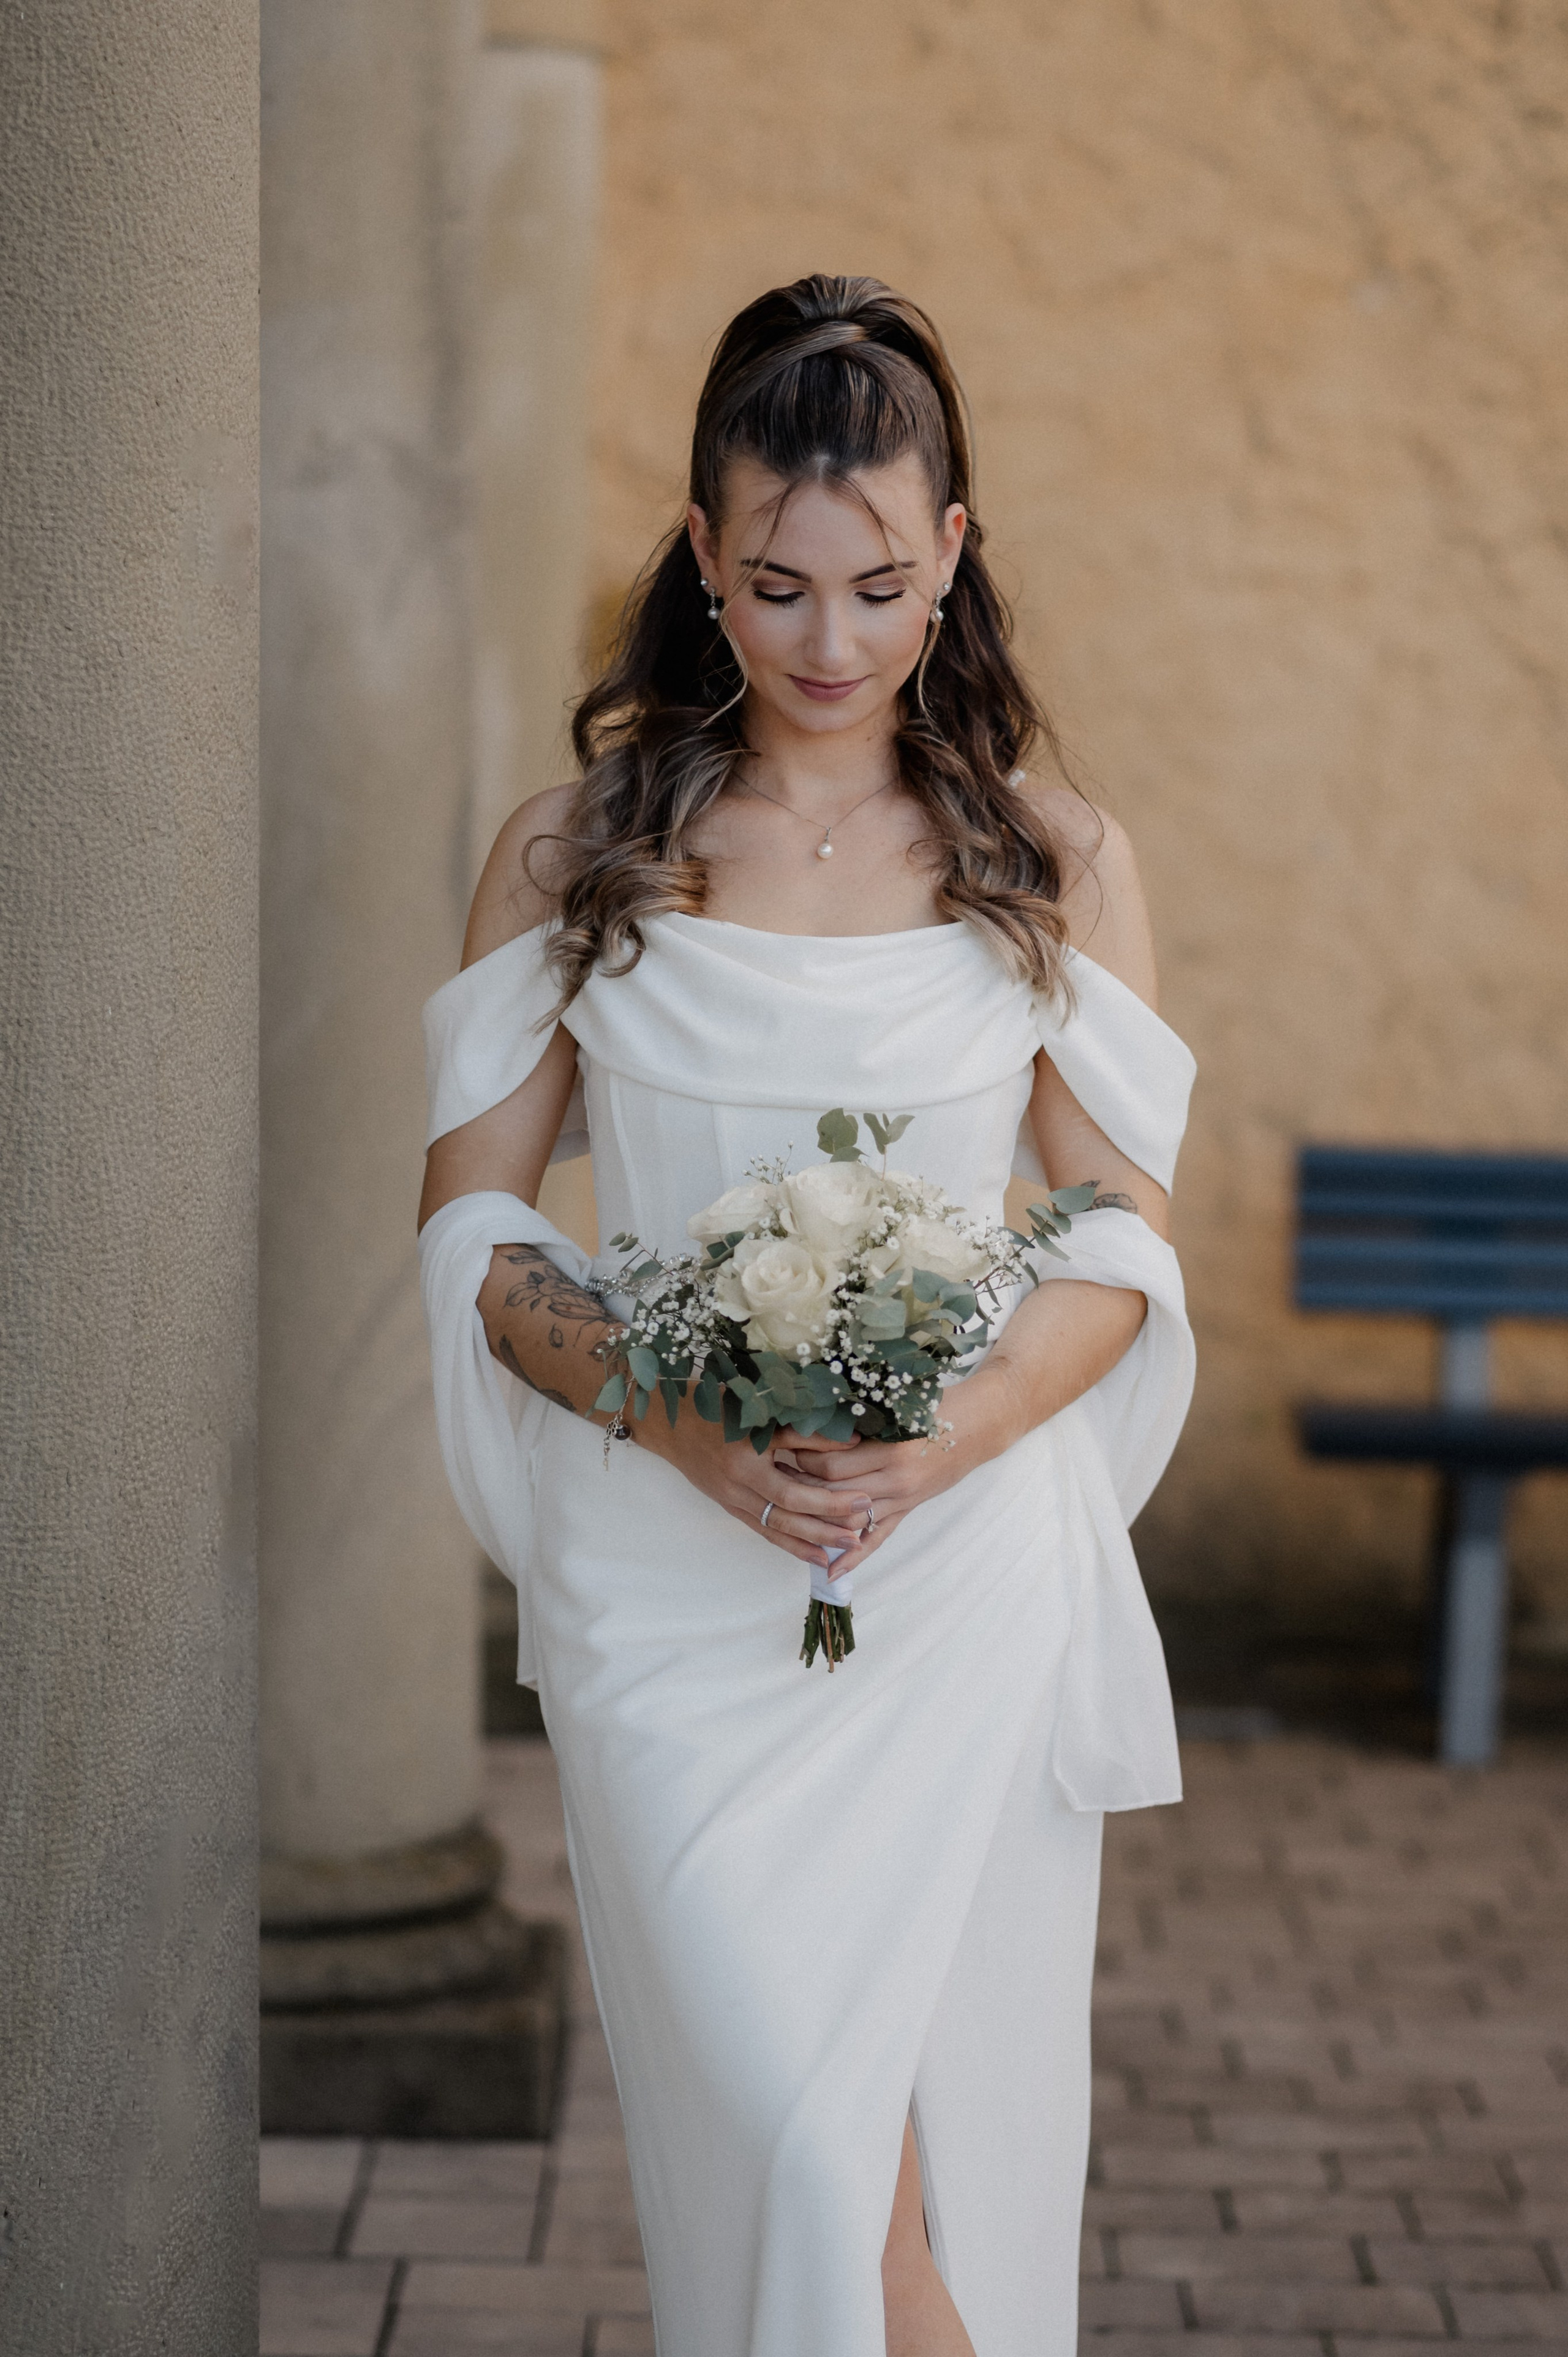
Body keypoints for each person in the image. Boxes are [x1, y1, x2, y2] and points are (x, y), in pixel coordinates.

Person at [418, 274, 1196, 2357]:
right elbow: (474, 1245)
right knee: (782, 2133)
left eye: (873, 582)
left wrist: (940, 1441)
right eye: (772, 585)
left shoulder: (1054, 864)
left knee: (879, 2172)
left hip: (954, 1587)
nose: (828, 643)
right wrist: (669, 1413)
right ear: (700, 556)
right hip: (662, 1599)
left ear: (954, 550)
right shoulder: (574, 857)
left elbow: (1115, 1244)